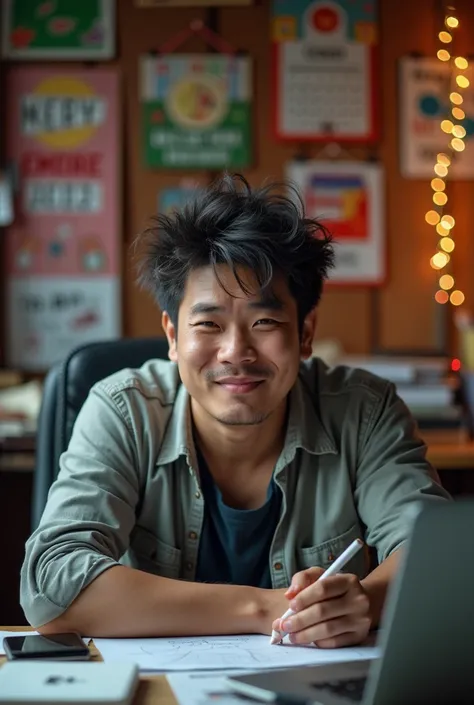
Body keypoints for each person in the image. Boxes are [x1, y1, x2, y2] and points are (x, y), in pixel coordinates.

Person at [21, 174, 449, 647]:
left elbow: (436, 555)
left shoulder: (364, 411)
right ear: (172, 335)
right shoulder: (124, 411)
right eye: (208, 324)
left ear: (305, 332)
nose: (235, 351)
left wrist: (364, 602)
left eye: (265, 321)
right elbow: (52, 585)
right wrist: (265, 608)